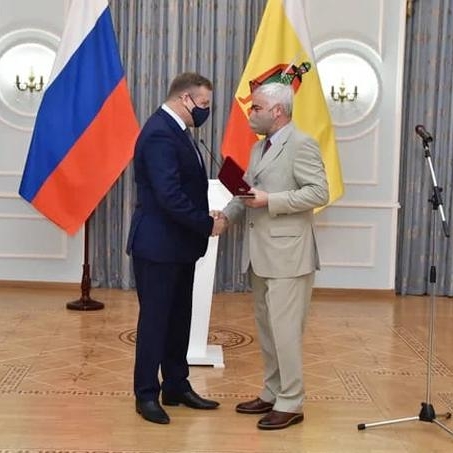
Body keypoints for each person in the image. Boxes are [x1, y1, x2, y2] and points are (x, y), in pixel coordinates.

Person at [217, 82, 329, 430]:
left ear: (278, 111)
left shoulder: (302, 144)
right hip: (261, 254)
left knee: (286, 332)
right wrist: (225, 218)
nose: (251, 113)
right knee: (267, 331)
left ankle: (291, 402)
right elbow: (246, 192)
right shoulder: (258, 148)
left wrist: (272, 201)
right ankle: (272, 392)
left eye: (257, 108)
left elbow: (318, 192)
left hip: (289, 256)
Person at [127, 72, 226, 424]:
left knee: (179, 318)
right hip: (158, 246)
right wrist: (206, 224)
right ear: (185, 98)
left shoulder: (179, 131)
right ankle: (146, 394)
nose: (206, 110)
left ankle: (176, 385)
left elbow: (185, 189)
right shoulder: (159, 133)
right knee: (155, 322)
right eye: (204, 104)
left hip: (179, 245)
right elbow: (169, 196)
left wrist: (203, 215)